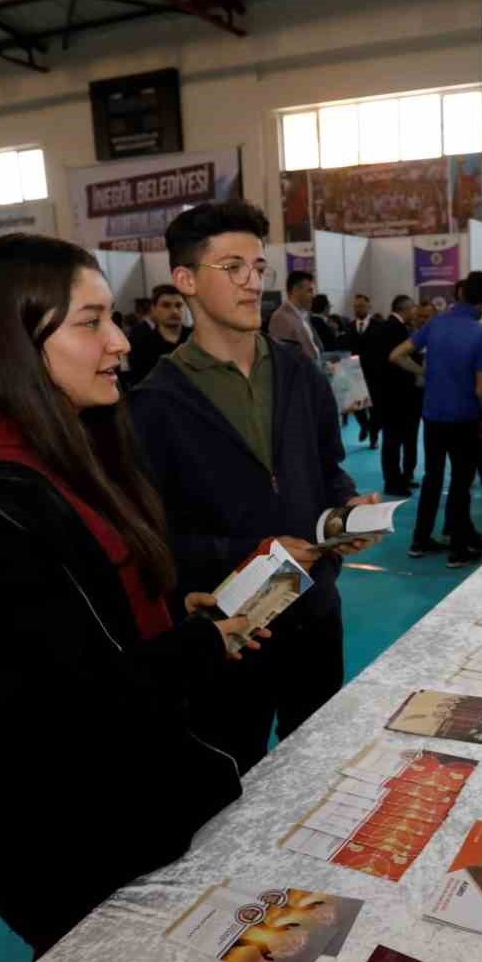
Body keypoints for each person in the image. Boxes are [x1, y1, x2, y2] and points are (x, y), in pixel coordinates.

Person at [0, 233, 265, 959]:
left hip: (121, 804)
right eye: (91, 322)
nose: (121, 342)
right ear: (15, 343)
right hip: (74, 837)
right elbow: (48, 715)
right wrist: (198, 647)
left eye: (111, 317)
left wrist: (167, 613)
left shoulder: (56, 453)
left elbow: (74, 617)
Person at [130, 200, 379, 773]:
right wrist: (252, 554)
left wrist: (344, 510)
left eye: (259, 267)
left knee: (318, 770)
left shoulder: (298, 373)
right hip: (229, 630)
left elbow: (327, 467)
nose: (252, 282)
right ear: (186, 280)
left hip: (315, 612)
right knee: (228, 781)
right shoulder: (153, 404)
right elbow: (151, 538)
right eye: (232, 267)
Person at [390, 271, 482, 567]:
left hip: (433, 416)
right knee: (461, 482)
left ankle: (420, 540)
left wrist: (425, 372)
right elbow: (480, 388)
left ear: (460, 294)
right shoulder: (479, 334)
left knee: (432, 478)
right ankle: (458, 549)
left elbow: (396, 355)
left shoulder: (435, 324)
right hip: (464, 418)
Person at [370, 294, 420, 496]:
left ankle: (397, 478)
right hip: (395, 395)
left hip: (390, 394)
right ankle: (392, 482)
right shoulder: (395, 329)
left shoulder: (388, 327)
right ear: (405, 309)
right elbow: (397, 361)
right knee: (393, 441)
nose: (415, 312)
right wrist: (421, 370)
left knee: (394, 439)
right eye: (413, 308)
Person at [123, 284, 188, 388]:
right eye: (166, 305)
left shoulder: (197, 338)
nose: (174, 311)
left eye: (178, 305)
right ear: (153, 309)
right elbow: (138, 383)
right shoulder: (142, 344)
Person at [339, 294, 377, 447]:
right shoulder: (348, 327)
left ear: (369, 307)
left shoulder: (378, 326)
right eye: (355, 306)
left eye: (361, 306)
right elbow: (344, 347)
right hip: (353, 371)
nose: (358, 309)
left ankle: (373, 437)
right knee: (356, 405)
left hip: (374, 372)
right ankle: (364, 425)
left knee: (374, 408)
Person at [269, 270, 323, 362]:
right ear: (295, 291)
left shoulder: (303, 315)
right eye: (309, 291)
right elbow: (283, 359)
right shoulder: (281, 318)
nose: (313, 295)